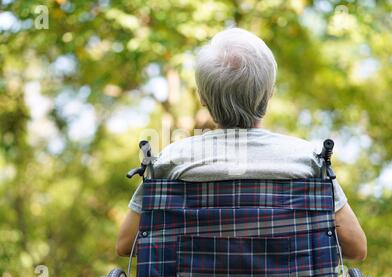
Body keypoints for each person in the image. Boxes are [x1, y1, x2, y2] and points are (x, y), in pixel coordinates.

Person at [116, 28, 367, 261]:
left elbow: (126, 244)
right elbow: (356, 247)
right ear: (269, 93)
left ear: (203, 98)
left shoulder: (170, 161)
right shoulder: (309, 161)